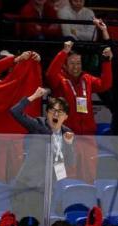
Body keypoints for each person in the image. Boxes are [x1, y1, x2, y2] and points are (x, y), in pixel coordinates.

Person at [45, 37, 113, 182]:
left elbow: (105, 84)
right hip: (65, 137)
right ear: (64, 65)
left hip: (88, 137)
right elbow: (50, 74)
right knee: (66, 175)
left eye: (78, 63)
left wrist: (106, 62)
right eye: (72, 63)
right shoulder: (59, 81)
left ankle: (87, 202)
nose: (76, 67)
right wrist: (64, 52)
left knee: (89, 176)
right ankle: (63, 202)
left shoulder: (87, 79)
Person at [10, 88, 76, 218]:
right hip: (26, 185)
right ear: (47, 113)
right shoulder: (38, 125)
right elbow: (15, 112)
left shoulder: (67, 132)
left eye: (60, 112)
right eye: (53, 111)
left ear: (66, 117)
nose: (56, 114)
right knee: (20, 223)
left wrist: (69, 145)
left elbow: (70, 162)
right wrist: (34, 96)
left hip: (46, 189)